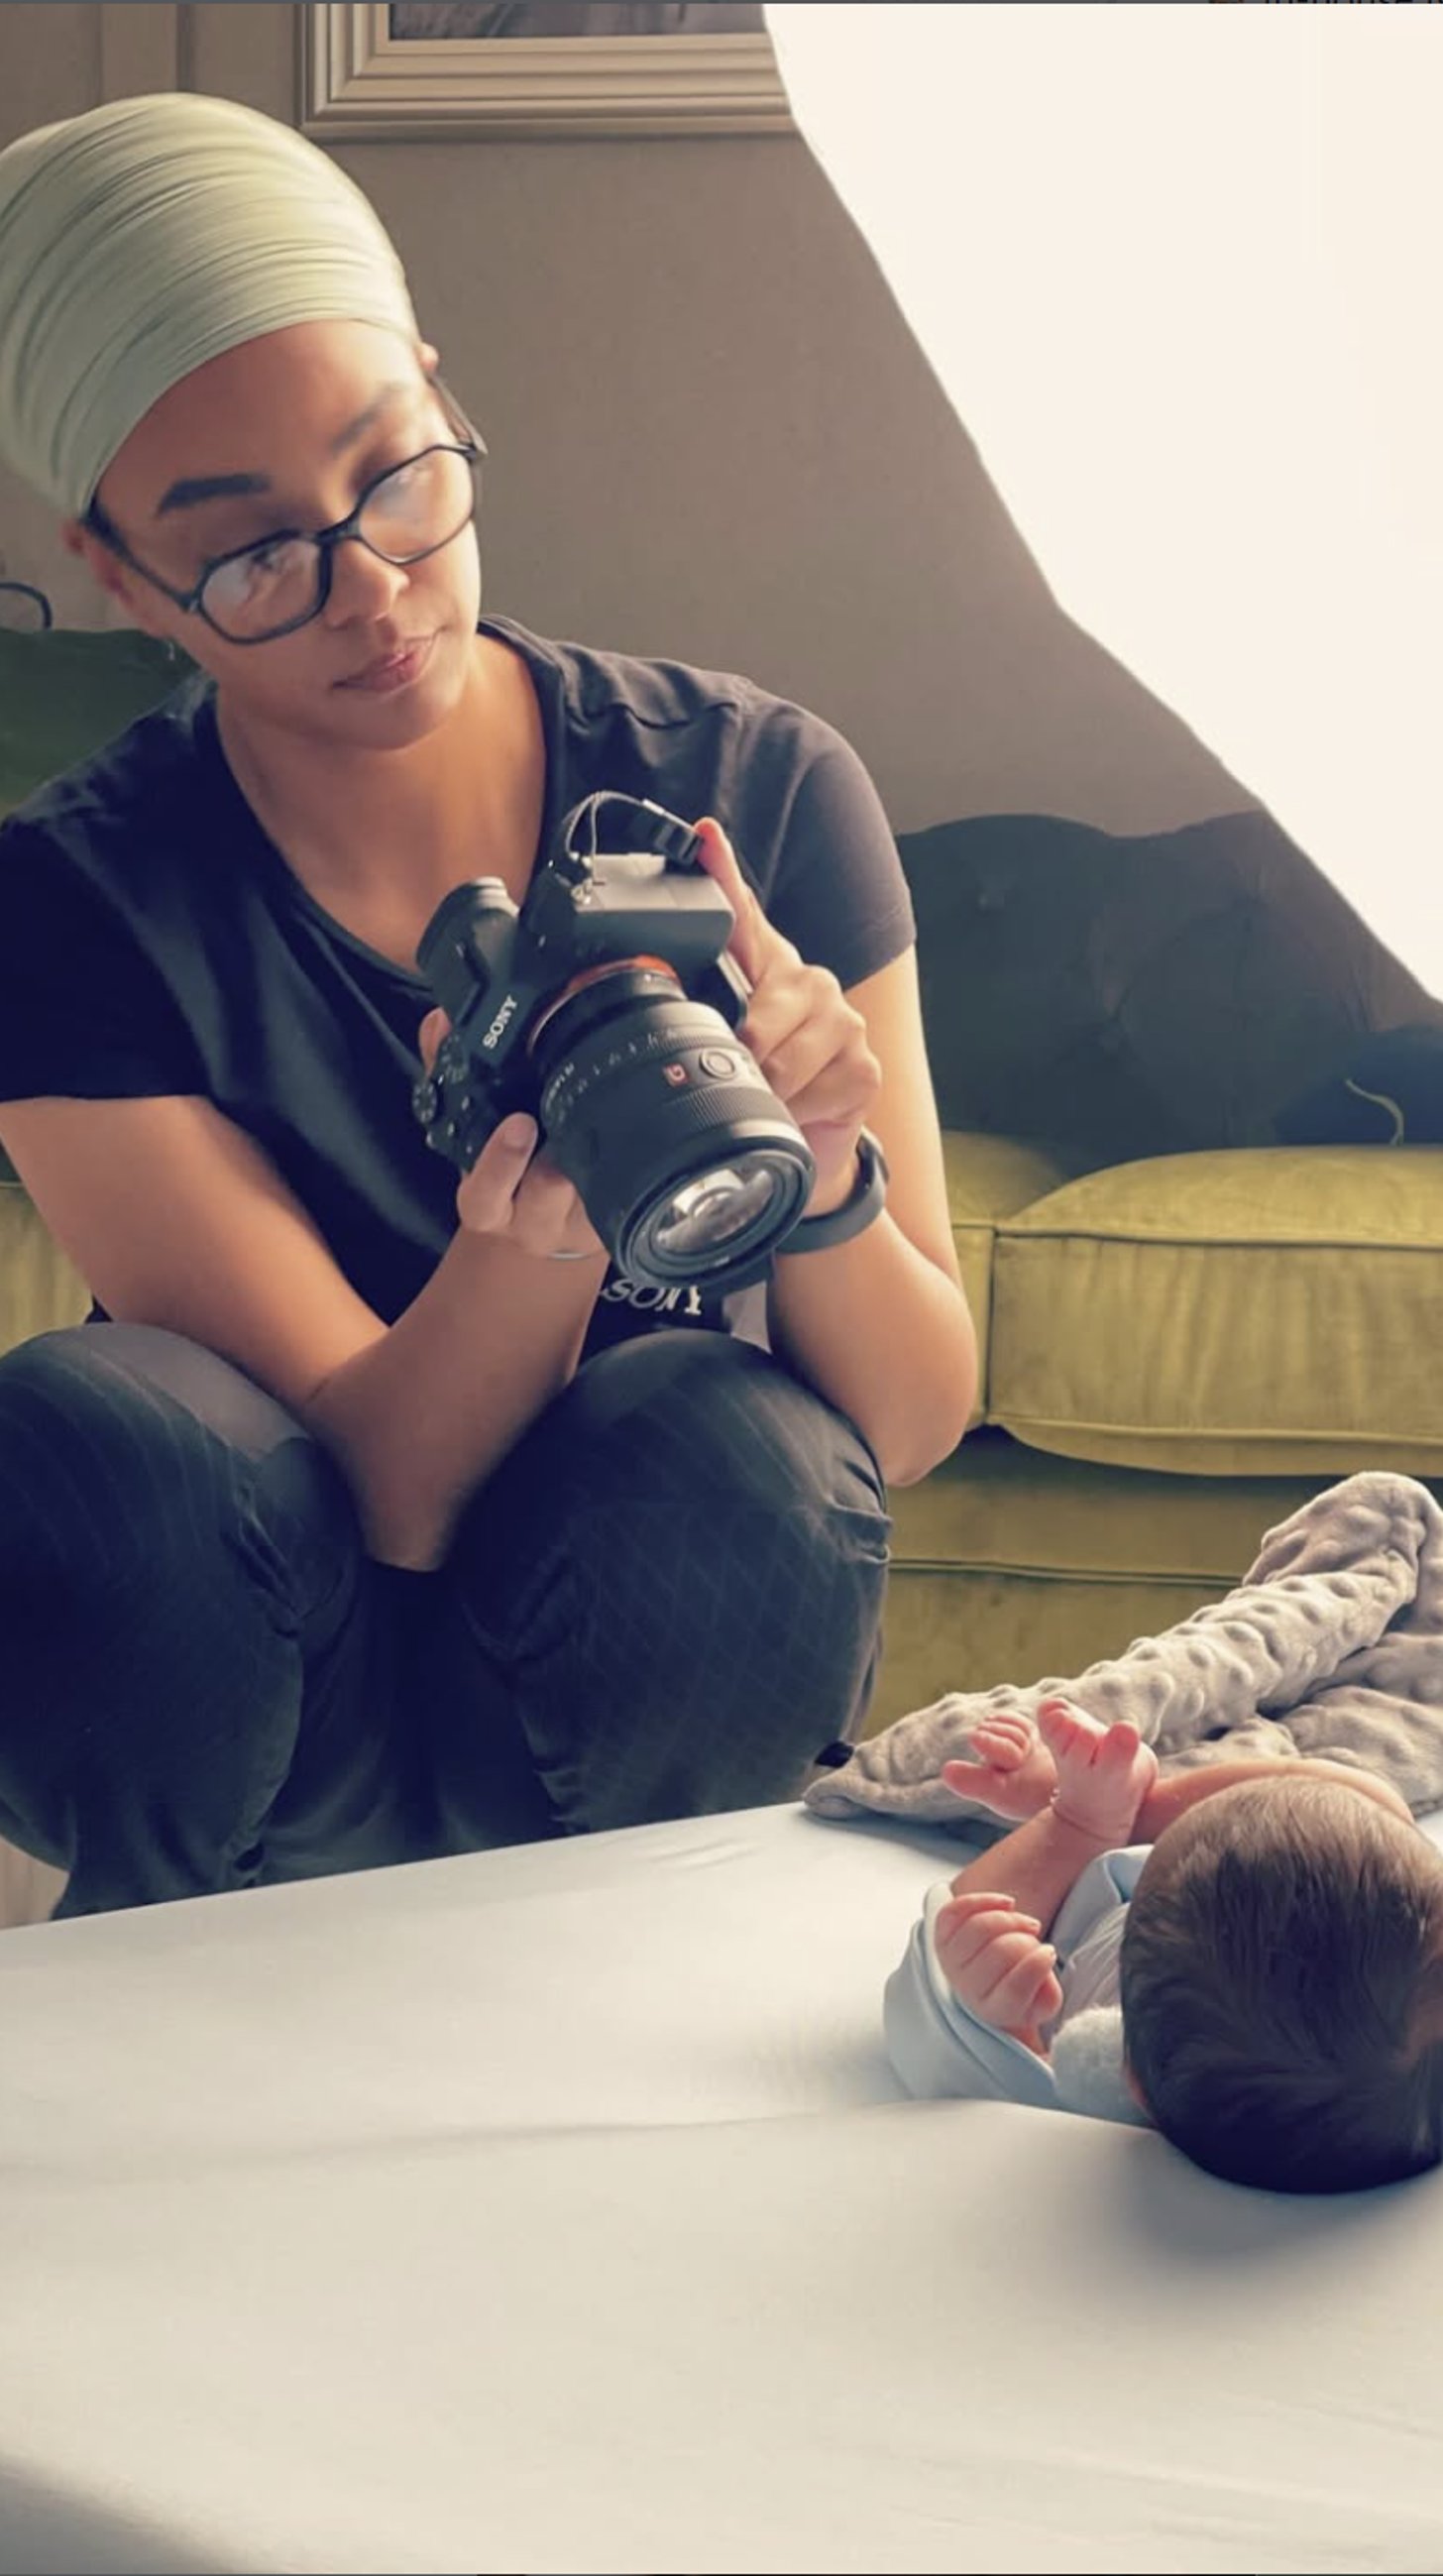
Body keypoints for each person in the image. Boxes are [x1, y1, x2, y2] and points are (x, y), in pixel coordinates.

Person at [0, 92, 977, 1919]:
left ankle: (647, 1959)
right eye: (252, 551)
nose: (371, 589)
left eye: (397, 475)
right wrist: (526, 1229)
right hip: (281, 1688)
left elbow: (910, 1417)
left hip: (649, 1649)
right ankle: (178, 1974)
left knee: (732, 1441)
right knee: (101, 1437)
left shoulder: (753, 787)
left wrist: (827, 1179)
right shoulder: (67, 902)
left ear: (446, 399)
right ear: (121, 572)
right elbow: (390, 1493)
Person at [885, 1700, 1443, 2190]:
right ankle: (1152, 1802)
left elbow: (934, 2016)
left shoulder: (1079, 2089)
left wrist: (1000, 2010)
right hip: (1382, 1921)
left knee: (982, 1913)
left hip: (1107, 1906)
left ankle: (1097, 1814)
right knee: (1369, 1801)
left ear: (1124, 2066)